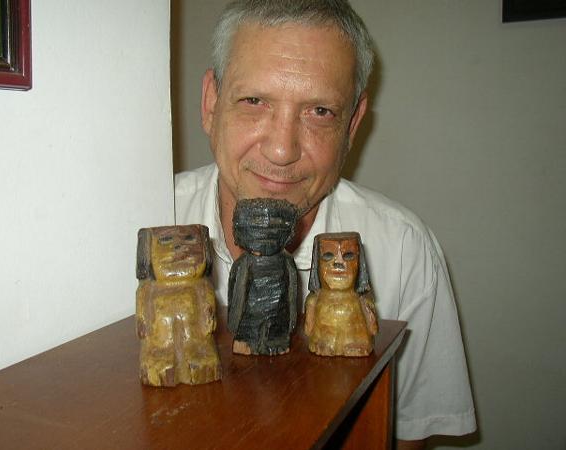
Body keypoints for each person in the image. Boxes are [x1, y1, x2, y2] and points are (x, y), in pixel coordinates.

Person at [175, 1, 476, 448]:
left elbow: (407, 436)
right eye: (254, 101)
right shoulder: (142, 218)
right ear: (210, 104)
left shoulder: (403, 249)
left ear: (352, 125)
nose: (282, 151)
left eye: (319, 112)